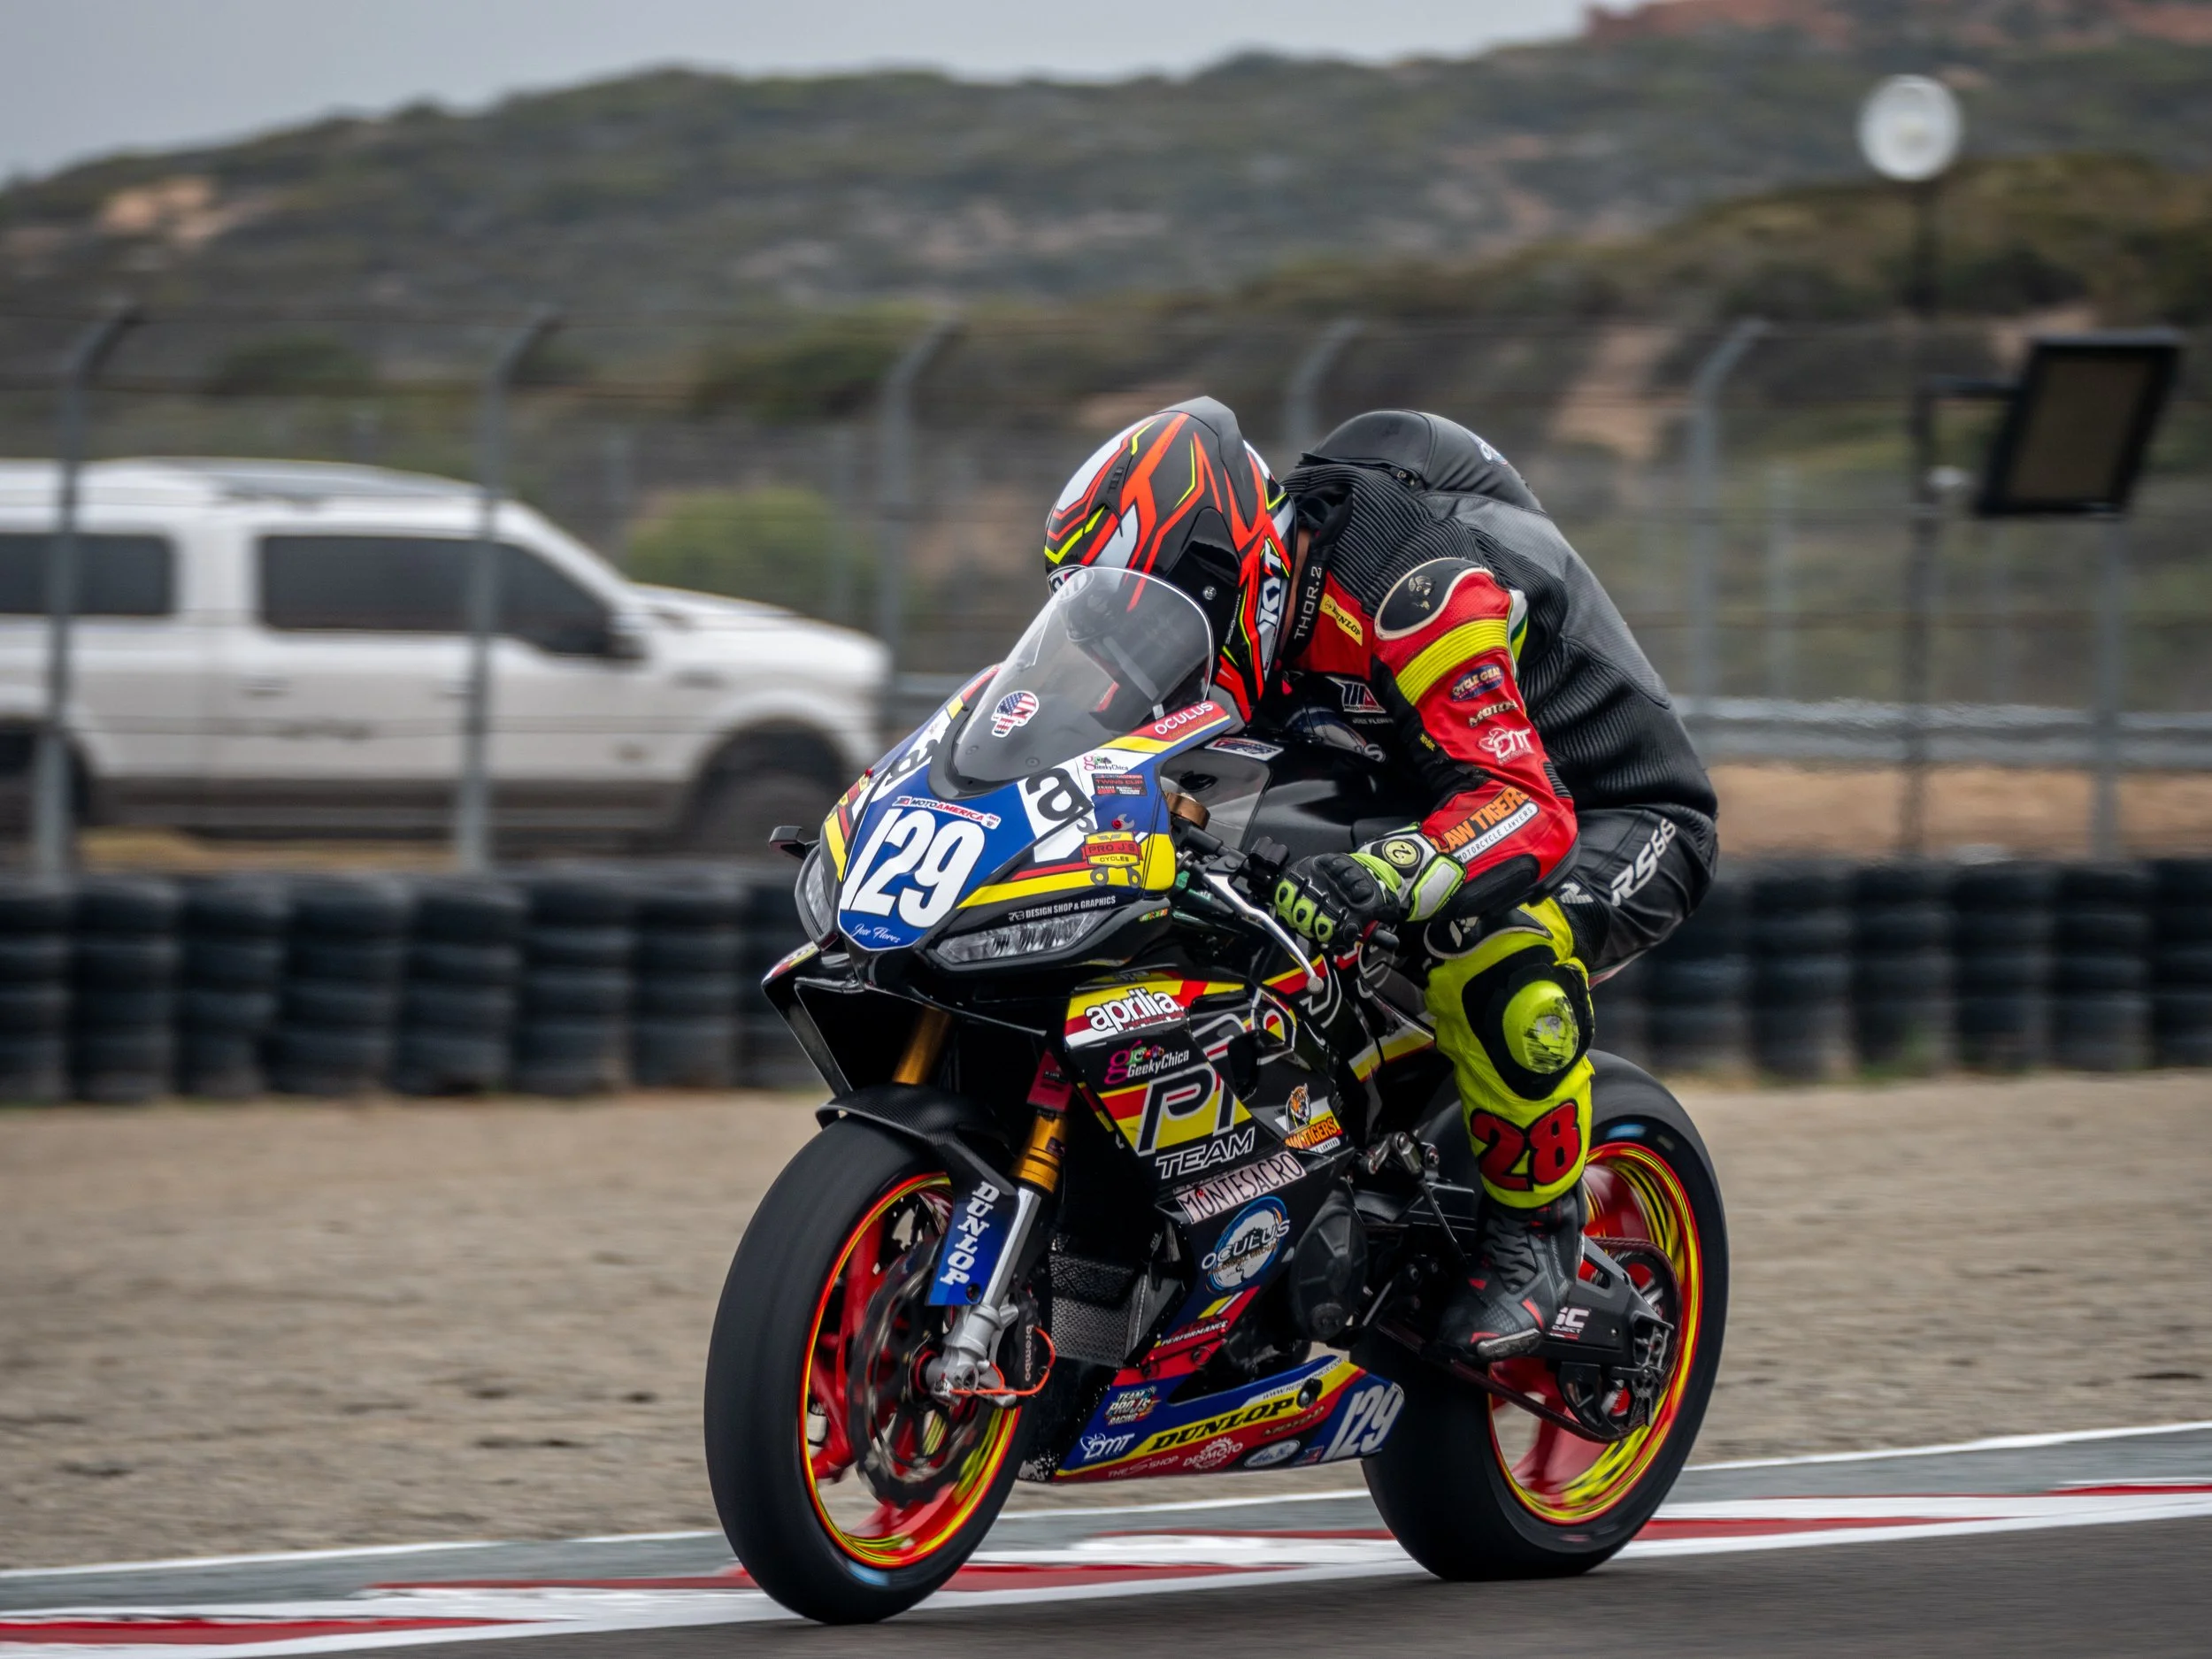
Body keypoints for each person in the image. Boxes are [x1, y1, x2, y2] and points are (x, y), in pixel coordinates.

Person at [1044, 398, 1717, 1362]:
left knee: (1486, 941)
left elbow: (1525, 806)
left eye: (1161, 603)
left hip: (1607, 815)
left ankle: (1534, 1240)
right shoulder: (1222, 611)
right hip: (1408, 787)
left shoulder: (1415, 585)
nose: (1138, 643)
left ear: (1238, 558)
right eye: (1112, 618)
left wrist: (1387, 873)